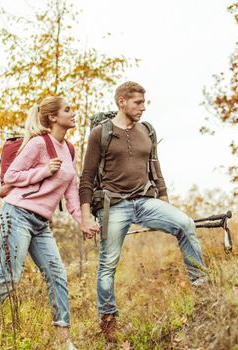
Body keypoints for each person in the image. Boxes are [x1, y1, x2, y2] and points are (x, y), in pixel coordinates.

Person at [0, 96, 99, 349]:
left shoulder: (69, 149)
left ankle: (63, 341)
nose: (73, 114)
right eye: (67, 110)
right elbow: (12, 175)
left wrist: (83, 221)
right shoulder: (38, 143)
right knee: (10, 276)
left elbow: (71, 191)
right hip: (17, 214)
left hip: (41, 224)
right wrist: (44, 170)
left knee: (57, 275)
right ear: (52, 117)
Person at [79, 82, 208, 342]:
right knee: (108, 263)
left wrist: (165, 203)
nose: (143, 107)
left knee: (185, 224)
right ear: (121, 102)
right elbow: (86, 177)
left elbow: (156, 171)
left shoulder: (147, 131)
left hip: (145, 200)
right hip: (113, 205)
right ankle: (108, 321)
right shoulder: (99, 134)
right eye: (137, 102)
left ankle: (203, 290)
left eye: (143, 102)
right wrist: (85, 216)